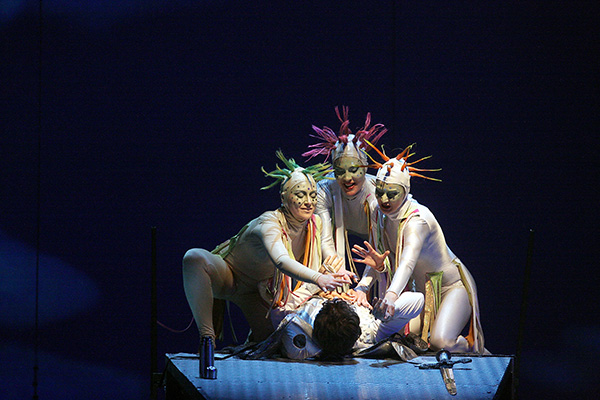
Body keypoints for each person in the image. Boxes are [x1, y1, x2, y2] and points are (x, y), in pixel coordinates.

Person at [182, 151, 351, 349]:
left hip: (259, 292)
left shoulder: (315, 223)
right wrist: (319, 278)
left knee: (276, 345)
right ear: (284, 198)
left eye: (312, 196)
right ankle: (207, 339)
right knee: (194, 258)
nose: (308, 201)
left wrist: (337, 272)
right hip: (230, 276)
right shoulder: (270, 222)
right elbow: (281, 260)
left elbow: (327, 249)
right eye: (300, 195)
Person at [351, 143, 487, 354]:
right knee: (402, 338)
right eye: (380, 192)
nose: (384, 199)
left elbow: (407, 262)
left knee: (441, 343)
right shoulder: (379, 213)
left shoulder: (417, 220)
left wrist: (391, 297)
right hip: (421, 293)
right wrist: (363, 287)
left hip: (450, 288)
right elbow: (376, 255)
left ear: (405, 191)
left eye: (392, 194)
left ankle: (476, 350)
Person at [303, 106, 387, 278]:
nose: (347, 178)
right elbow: (325, 239)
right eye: (340, 172)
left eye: (354, 170)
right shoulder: (325, 188)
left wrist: (363, 288)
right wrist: (338, 272)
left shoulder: (377, 193)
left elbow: (381, 247)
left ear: (365, 168)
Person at [274, 291, 424, 360]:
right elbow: (417, 299)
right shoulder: (371, 333)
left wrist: (317, 286)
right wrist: (389, 312)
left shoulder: (301, 324)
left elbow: (277, 313)